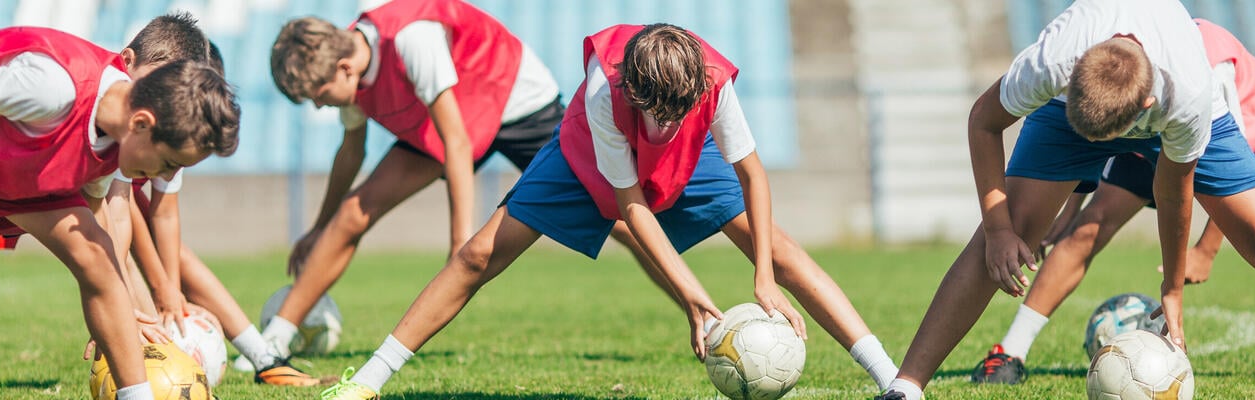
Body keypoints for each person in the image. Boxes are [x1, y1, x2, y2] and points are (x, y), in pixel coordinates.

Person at [316, 23, 896, 400]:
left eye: (677, 114)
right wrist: (695, 299)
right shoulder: (603, 92)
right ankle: (367, 381)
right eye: (656, 115)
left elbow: (753, 175)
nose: (664, 127)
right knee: (477, 255)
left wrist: (763, 276)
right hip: (586, 157)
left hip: (692, 163)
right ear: (631, 89)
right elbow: (633, 207)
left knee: (783, 250)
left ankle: (892, 380)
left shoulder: (712, 86)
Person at [875, 1, 1255, 399]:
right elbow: (983, 121)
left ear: (1150, 105)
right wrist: (997, 228)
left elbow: (1172, 189)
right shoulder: (1051, 63)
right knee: (1011, 224)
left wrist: (1172, 287)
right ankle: (906, 387)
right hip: (1074, 115)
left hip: (1181, 107)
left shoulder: (1187, 94)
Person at [0, 17, 322, 387]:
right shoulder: (53, 88)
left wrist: (126, 307)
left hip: (9, 183)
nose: (164, 178)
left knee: (95, 257)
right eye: (168, 163)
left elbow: (107, 222)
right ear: (143, 124)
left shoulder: (117, 146)